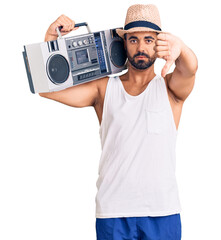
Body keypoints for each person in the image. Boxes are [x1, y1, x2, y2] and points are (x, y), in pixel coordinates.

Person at [40, 4, 198, 240]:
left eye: (148, 39)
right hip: (113, 212)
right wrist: (51, 38)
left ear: (158, 43)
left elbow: (190, 69)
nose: (141, 47)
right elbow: (46, 89)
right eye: (133, 40)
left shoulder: (170, 88)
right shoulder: (104, 88)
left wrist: (182, 48)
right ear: (124, 44)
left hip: (161, 211)